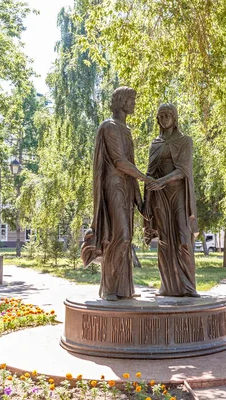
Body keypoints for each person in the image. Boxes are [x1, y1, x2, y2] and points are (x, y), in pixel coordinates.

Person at [81, 87, 154, 301]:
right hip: (113, 187)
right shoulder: (109, 127)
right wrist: (146, 178)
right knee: (119, 236)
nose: (133, 103)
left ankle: (124, 288)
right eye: (131, 99)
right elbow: (119, 162)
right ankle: (109, 288)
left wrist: (140, 202)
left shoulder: (126, 130)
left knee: (126, 237)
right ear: (121, 100)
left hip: (126, 188)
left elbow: (129, 166)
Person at [143, 104, 199, 297]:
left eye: (168, 115)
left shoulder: (185, 141)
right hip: (160, 196)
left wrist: (162, 181)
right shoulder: (155, 143)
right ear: (157, 119)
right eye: (161, 115)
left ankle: (189, 287)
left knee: (184, 238)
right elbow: (150, 171)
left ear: (175, 118)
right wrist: (148, 193)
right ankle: (166, 286)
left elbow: (184, 170)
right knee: (164, 240)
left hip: (178, 196)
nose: (165, 118)